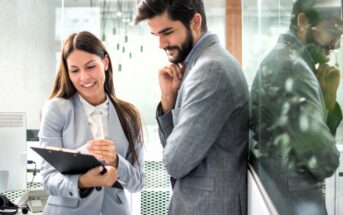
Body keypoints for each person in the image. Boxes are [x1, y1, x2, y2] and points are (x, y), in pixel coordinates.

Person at [135, 0, 249, 214]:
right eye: (156, 35)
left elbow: (176, 162)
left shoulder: (210, 70)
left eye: (167, 32)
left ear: (195, 21)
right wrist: (169, 100)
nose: (161, 44)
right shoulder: (200, 65)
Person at [250, 0, 343, 214]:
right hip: (295, 204)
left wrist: (326, 101)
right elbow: (324, 160)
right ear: (302, 22)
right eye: (333, 29)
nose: (337, 44)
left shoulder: (282, 60)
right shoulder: (293, 69)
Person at [38, 31, 144, 215]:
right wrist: (83, 181)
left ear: (105, 62)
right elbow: (48, 180)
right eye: (75, 70)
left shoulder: (128, 115)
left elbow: (138, 183)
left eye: (90, 66)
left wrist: (117, 162)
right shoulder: (56, 110)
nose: (84, 77)